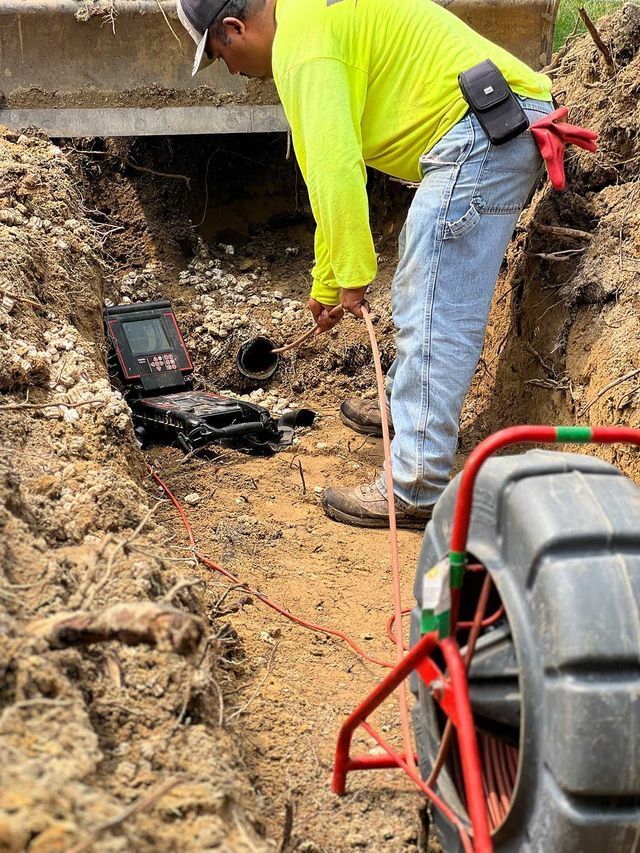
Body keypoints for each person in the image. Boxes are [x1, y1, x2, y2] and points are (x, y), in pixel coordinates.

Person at [176, 0, 554, 528]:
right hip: (493, 116)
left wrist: (351, 275)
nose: (233, 70)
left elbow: (336, 169)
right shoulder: (309, 21)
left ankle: (417, 484)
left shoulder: (301, 50)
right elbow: (324, 174)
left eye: (222, 53)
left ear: (234, 27)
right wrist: (325, 284)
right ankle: (407, 408)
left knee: (431, 299)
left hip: (484, 128)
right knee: (424, 281)